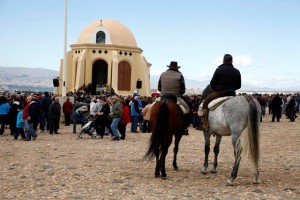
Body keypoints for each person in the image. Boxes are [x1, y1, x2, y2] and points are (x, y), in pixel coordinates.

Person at [199, 54, 241, 131]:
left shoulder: (219, 70)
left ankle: (205, 123)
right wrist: (232, 89)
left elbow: (212, 83)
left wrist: (217, 89)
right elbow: (239, 86)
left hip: (219, 92)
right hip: (232, 93)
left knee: (205, 102)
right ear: (232, 61)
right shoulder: (237, 71)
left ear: (223, 60)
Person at [158, 61, 190, 135]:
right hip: (175, 96)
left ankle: (150, 124)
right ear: (177, 68)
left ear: (169, 67)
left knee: (151, 107)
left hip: (162, 96)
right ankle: (184, 127)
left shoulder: (162, 74)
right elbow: (183, 90)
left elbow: (159, 88)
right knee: (187, 109)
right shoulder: (180, 75)